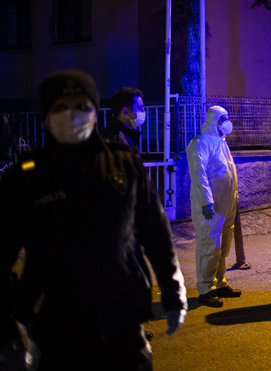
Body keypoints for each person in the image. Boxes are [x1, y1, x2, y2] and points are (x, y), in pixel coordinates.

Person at [0, 70, 186, 371]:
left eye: (81, 106)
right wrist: (7, 331)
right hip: (55, 333)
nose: (72, 115)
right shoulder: (26, 177)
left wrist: (172, 293)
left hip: (124, 327)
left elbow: (156, 234)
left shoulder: (124, 163)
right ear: (46, 115)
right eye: (61, 107)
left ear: (94, 111)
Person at [186, 106, 242, 308]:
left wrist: (234, 200)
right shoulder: (200, 143)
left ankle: (220, 282)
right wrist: (206, 201)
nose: (227, 122)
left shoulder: (221, 142)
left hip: (226, 205)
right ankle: (205, 288)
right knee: (209, 247)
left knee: (222, 248)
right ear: (213, 121)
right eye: (223, 119)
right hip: (210, 207)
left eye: (227, 118)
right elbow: (199, 174)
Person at [102, 87, 146, 152]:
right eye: (140, 107)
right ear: (125, 111)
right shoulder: (116, 140)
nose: (143, 111)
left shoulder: (125, 135)